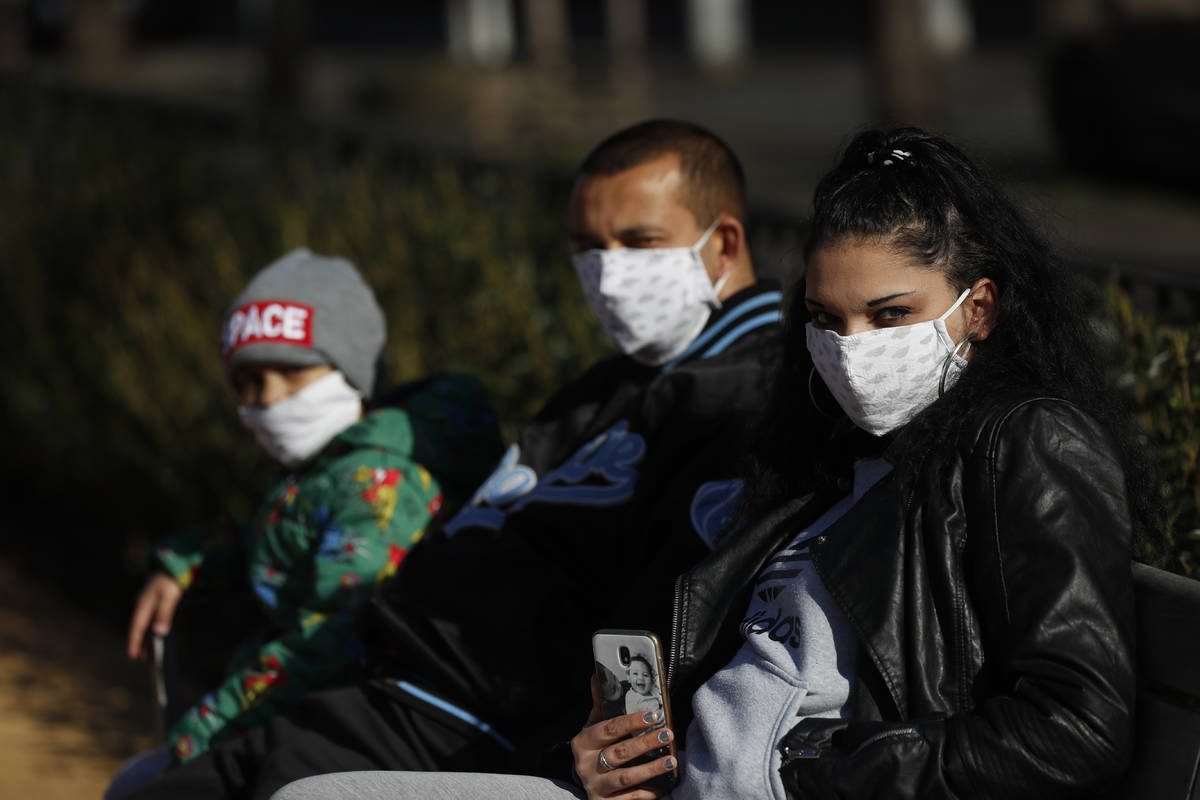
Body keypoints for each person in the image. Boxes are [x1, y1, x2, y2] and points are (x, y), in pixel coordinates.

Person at [272, 128, 1148, 800]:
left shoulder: (1026, 442)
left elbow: (1078, 725)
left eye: (890, 315)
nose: (853, 350)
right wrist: (593, 763)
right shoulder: (818, 467)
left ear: (980, 307)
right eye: (826, 320)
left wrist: (809, 769)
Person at [122, 119, 785, 800]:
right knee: (142, 786)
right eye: (588, 248)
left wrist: (575, 758)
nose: (609, 274)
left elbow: (676, 619)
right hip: (389, 688)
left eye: (638, 242)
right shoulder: (617, 382)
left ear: (724, 242)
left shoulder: (742, 400)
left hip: (478, 731)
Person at [112, 249, 503, 791]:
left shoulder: (379, 484)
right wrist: (185, 560)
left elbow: (327, 640)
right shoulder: (333, 469)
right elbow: (282, 543)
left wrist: (199, 735)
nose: (269, 399)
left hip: (336, 736)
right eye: (248, 382)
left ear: (353, 367)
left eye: (292, 371)